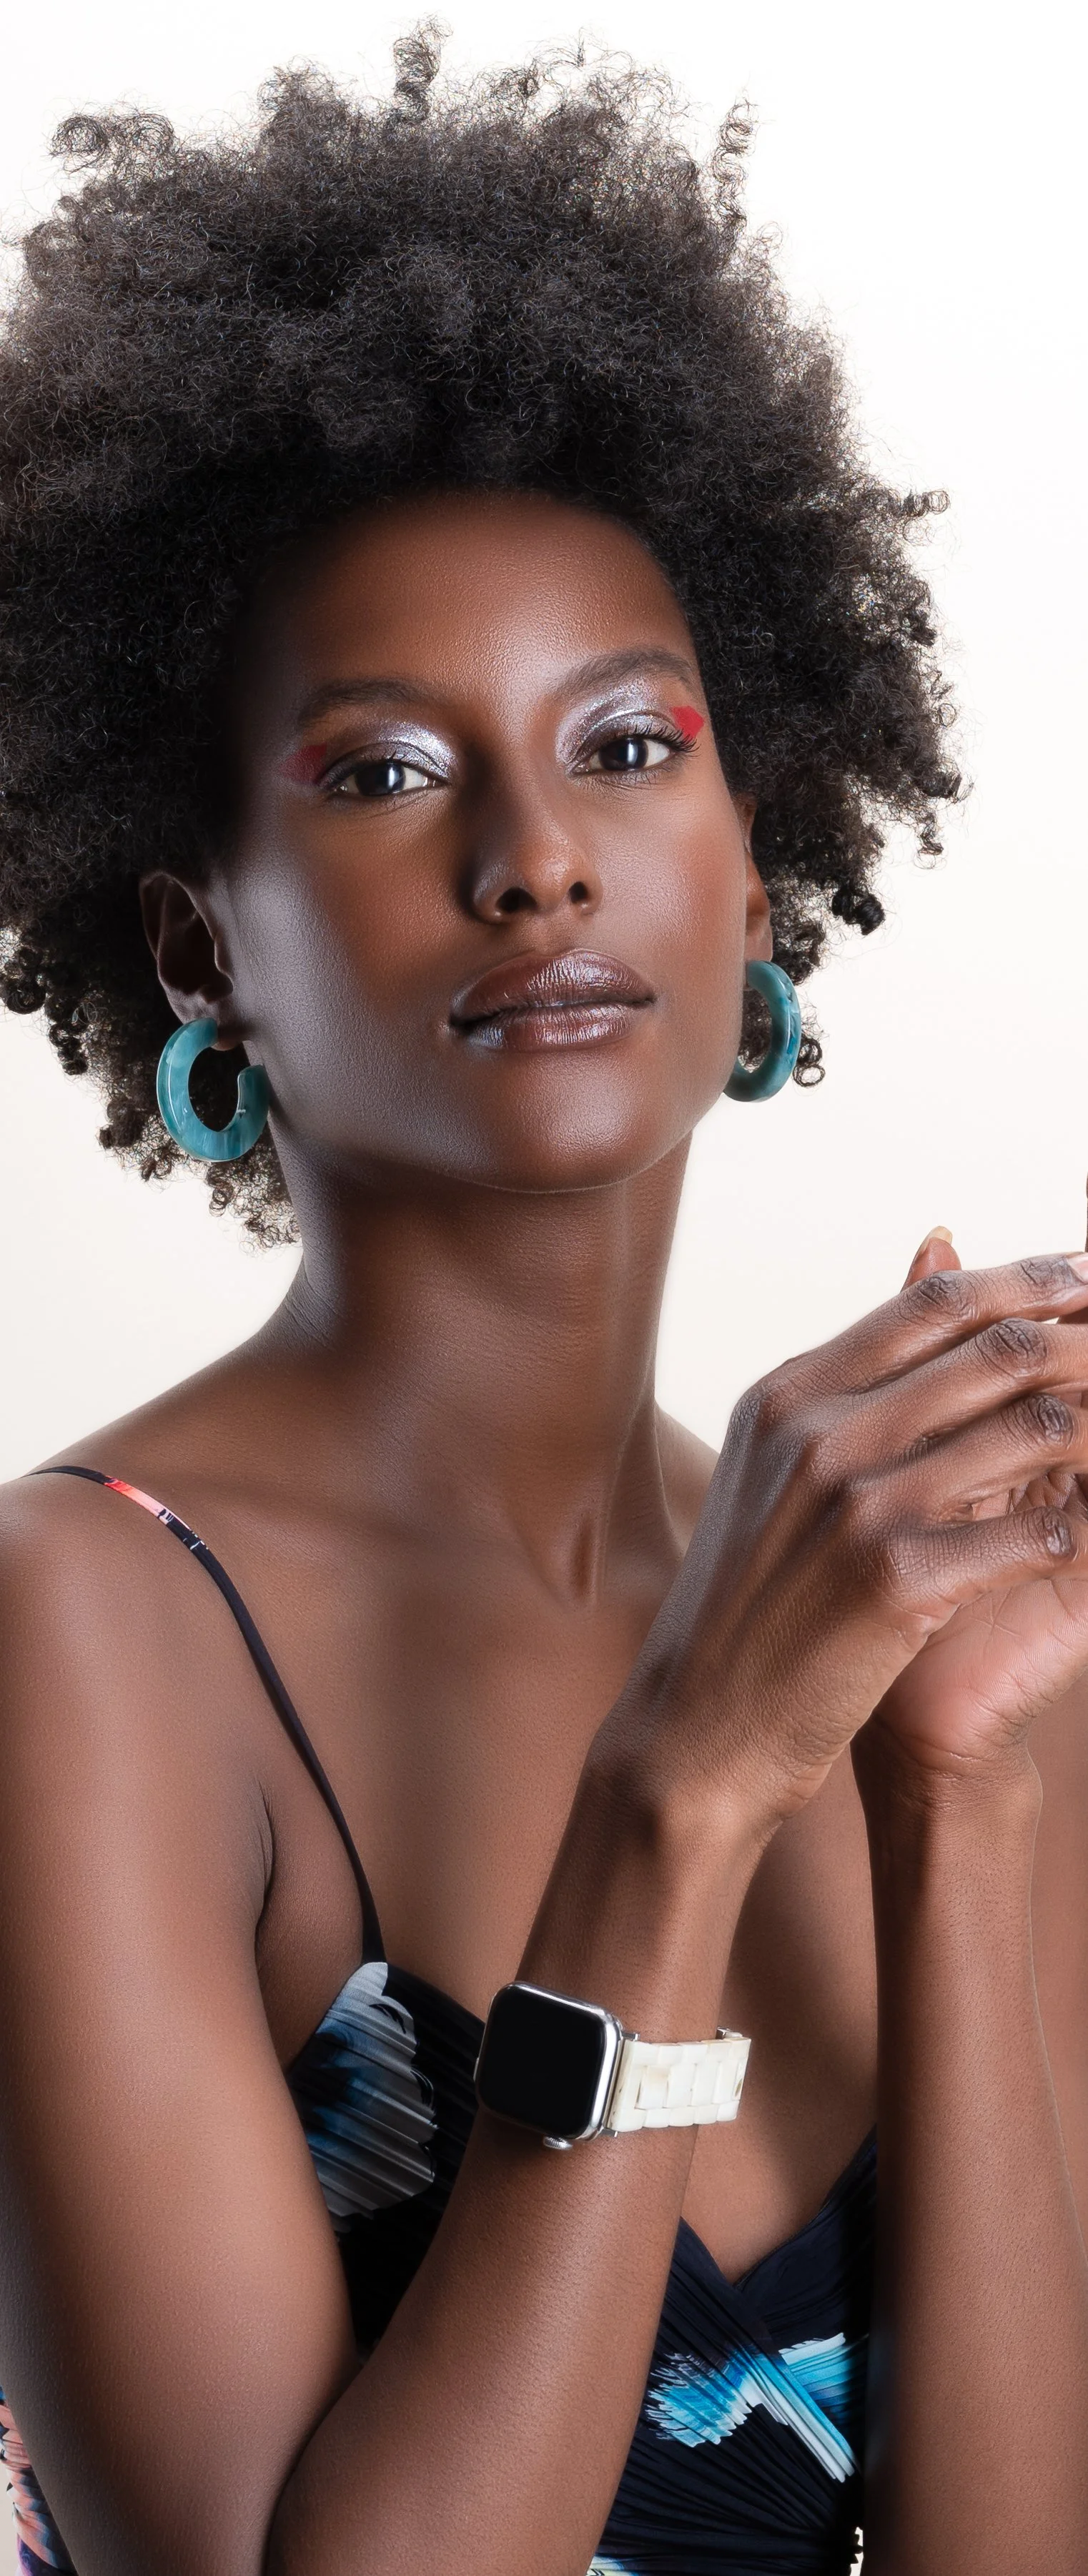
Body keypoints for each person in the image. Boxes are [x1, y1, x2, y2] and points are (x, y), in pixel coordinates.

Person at [0, 36, 1085, 2576]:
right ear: (198, 949)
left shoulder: (900, 1616)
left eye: (627, 745)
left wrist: (961, 1796)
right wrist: (682, 1788)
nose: (537, 863)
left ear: (762, 869)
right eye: (385, 773)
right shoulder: (83, 1634)